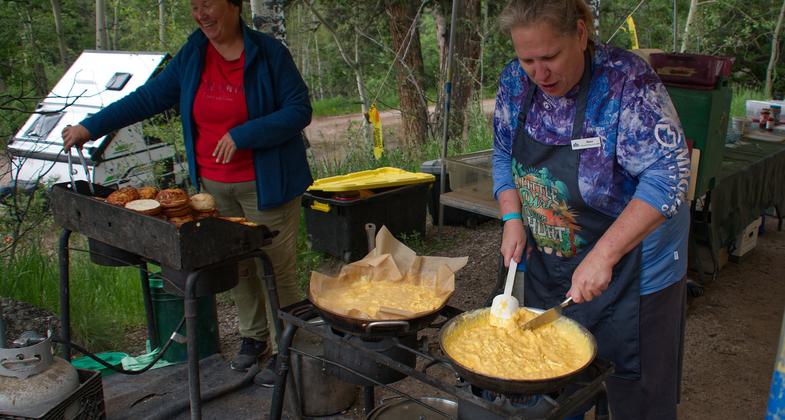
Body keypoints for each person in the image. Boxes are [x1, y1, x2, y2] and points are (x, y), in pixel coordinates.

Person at [62, 0, 311, 382]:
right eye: (195, 7)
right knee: (238, 266)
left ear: (234, 5)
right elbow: (147, 98)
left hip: (268, 184)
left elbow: (298, 110)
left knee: (276, 267)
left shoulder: (269, 53)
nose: (201, 14)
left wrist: (244, 134)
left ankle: (288, 347)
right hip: (211, 188)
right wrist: (91, 126)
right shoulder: (194, 53)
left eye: (208, 4)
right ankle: (253, 338)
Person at [492, 1, 690, 419]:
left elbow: (669, 173)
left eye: (549, 57)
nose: (538, 73)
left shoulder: (626, 84)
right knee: (558, 384)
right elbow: (503, 153)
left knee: (634, 396)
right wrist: (513, 217)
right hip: (554, 265)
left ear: (580, 35)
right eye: (527, 59)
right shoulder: (514, 82)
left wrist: (604, 255)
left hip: (634, 270)